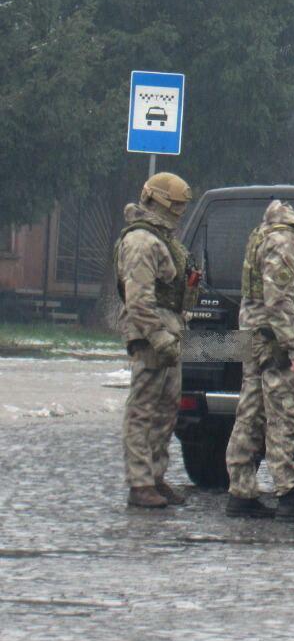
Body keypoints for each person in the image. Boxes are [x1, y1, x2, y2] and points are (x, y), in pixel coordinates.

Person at [225, 199, 294, 520]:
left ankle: (241, 491)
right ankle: (289, 493)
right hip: (273, 340)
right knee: (283, 414)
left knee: (251, 412)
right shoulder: (287, 243)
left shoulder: (268, 231)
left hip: (253, 335)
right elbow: (278, 301)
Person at [114, 172, 198, 509]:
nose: (180, 211)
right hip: (151, 335)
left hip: (170, 330)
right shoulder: (141, 241)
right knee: (143, 410)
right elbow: (138, 300)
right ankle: (140, 483)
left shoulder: (162, 239)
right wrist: (158, 336)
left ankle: (155, 477)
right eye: (176, 204)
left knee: (166, 410)